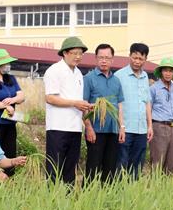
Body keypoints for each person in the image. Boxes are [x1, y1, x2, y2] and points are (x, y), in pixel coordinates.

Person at [43, 37, 92, 186]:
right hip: (57, 127)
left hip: (75, 128)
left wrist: (85, 107)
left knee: (70, 168)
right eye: (74, 53)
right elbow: (50, 98)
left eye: (81, 53)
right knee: (54, 168)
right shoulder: (54, 70)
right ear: (65, 53)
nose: (78, 56)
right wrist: (75, 103)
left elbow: (78, 100)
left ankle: (68, 201)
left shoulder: (78, 73)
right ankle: (51, 199)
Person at [83, 44, 125, 184]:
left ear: (112, 60)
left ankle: (106, 199)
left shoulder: (116, 80)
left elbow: (119, 105)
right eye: (101, 57)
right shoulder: (89, 78)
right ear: (96, 58)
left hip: (113, 130)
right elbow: (84, 105)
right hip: (96, 131)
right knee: (93, 168)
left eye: (107, 58)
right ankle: (87, 198)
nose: (104, 60)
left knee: (110, 169)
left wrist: (121, 127)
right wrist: (88, 128)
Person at [116, 43, 153, 179]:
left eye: (140, 59)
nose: (137, 61)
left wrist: (149, 126)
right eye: (134, 57)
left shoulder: (145, 78)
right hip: (125, 129)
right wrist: (121, 126)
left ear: (145, 59)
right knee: (121, 164)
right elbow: (117, 103)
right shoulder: (119, 76)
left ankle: (132, 194)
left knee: (137, 166)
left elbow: (147, 103)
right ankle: (118, 194)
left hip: (141, 130)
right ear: (129, 56)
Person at [149, 58, 173, 174]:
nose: (168, 73)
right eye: (165, 71)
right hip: (159, 126)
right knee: (158, 162)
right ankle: (154, 189)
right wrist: (150, 127)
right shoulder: (153, 89)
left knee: (171, 164)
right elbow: (148, 108)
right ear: (161, 72)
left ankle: (167, 190)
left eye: (171, 71)